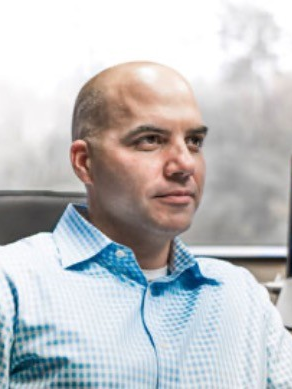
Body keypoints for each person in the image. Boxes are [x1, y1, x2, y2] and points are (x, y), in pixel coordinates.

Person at [0, 61, 291, 388]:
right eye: (151, 140)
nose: (184, 164)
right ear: (84, 163)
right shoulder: (12, 286)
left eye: (194, 141)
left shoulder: (242, 295)